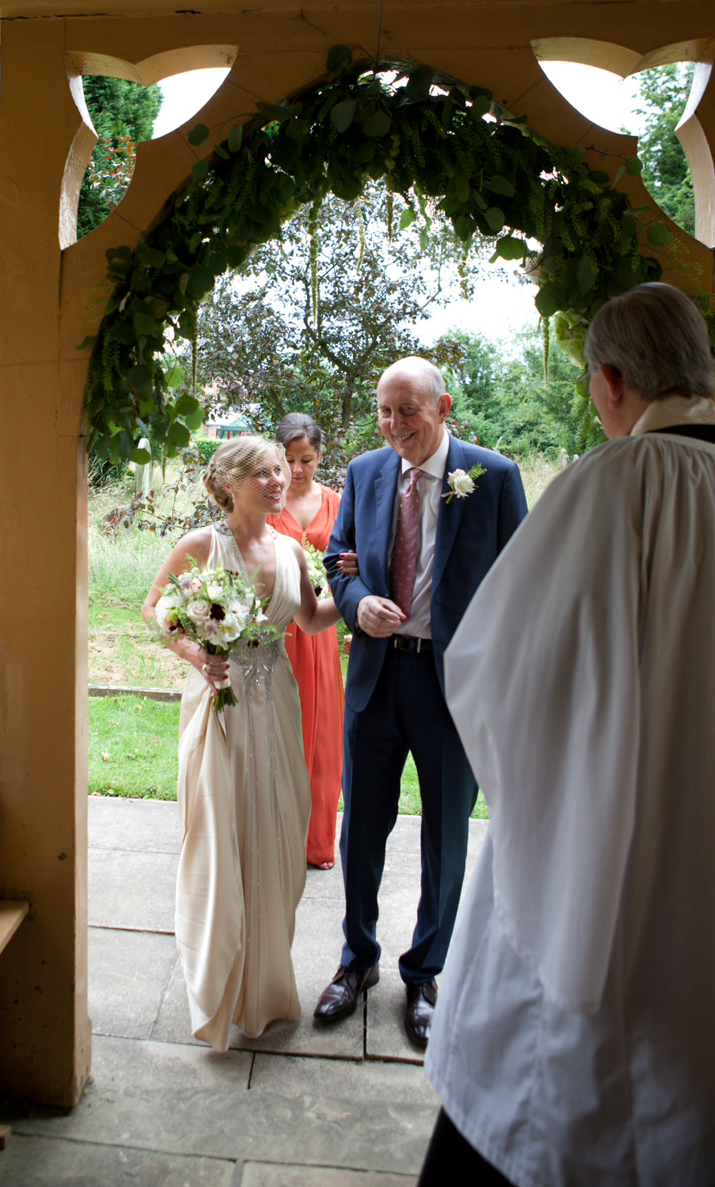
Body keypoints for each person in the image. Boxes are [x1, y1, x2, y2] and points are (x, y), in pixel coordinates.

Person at [421, 282, 715, 1186]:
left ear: (614, 381)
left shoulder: (622, 481)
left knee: (562, 1078)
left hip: (608, 858)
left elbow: (506, 670)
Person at [315, 357, 527, 1049]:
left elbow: (518, 583)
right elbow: (337, 558)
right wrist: (357, 602)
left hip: (452, 687)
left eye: (407, 410)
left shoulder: (491, 476)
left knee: (446, 833)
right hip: (376, 679)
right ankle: (357, 960)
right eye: (385, 410)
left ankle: (426, 971)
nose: (394, 424)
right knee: (362, 830)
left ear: (441, 409)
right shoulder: (364, 472)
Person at [142, 435, 341, 1051]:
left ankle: (267, 975)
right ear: (229, 483)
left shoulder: (290, 548)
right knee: (220, 833)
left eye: (282, 471)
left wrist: (360, 593)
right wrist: (197, 655)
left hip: (276, 700)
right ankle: (218, 978)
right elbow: (157, 609)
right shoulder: (202, 545)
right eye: (264, 473)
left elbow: (310, 619)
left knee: (281, 829)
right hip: (220, 704)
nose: (279, 481)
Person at [267, 413, 345, 869]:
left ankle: (316, 844)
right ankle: (276, 840)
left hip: (319, 632)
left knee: (321, 739)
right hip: (276, 627)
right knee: (280, 732)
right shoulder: (264, 501)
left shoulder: (338, 502)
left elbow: (351, 561)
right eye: (289, 460)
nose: (297, 470)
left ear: (320, 456)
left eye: (307, 460)